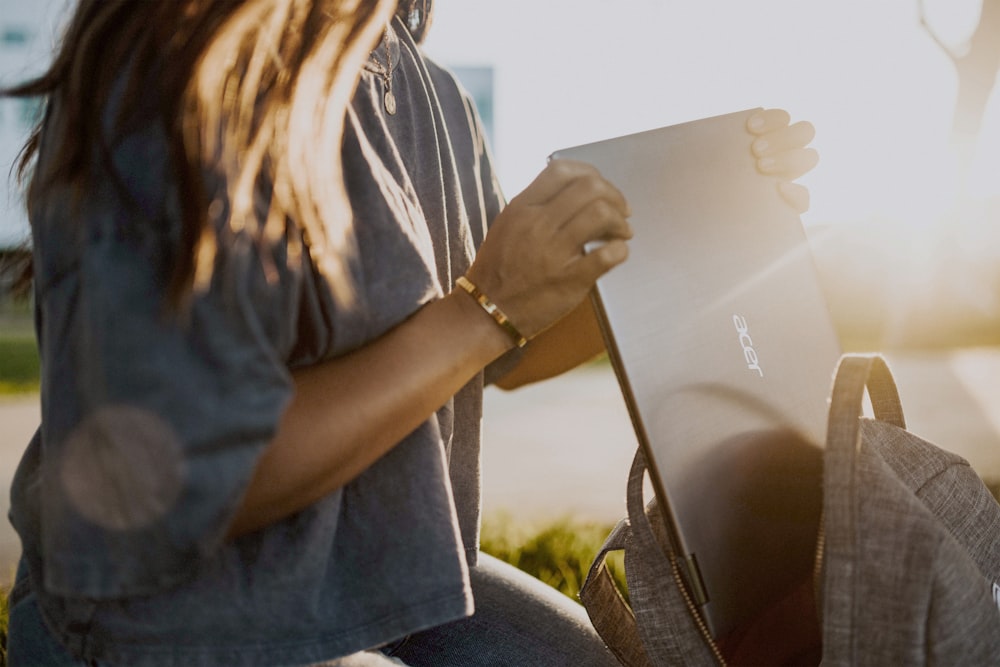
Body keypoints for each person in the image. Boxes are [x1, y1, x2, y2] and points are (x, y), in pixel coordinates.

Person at [1, 0, 818, 664]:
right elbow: (187, 472)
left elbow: (506, 347)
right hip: (172, 617)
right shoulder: (178, 56)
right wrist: (482, 309)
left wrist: (681, 245)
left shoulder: (426, 90)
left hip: (383, 573)